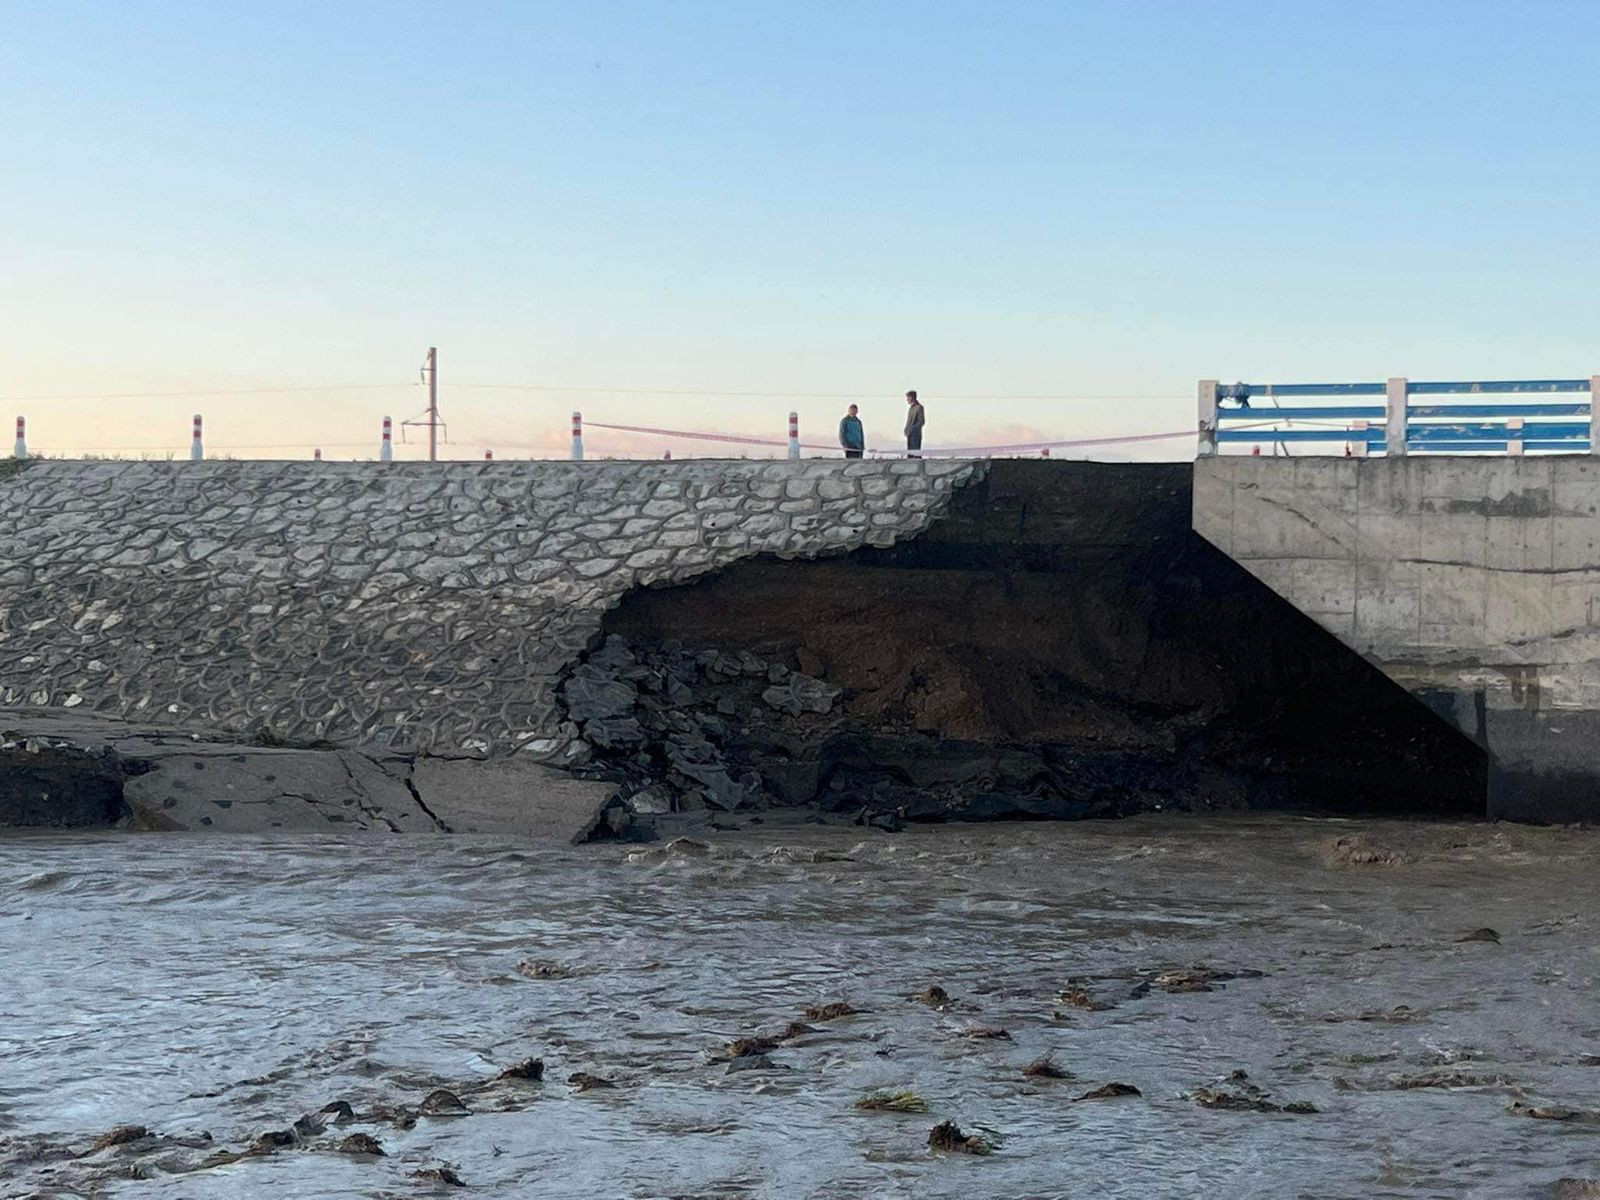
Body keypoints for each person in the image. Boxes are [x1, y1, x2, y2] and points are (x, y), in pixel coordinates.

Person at [903, 390, 925, 457]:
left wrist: (913, 429)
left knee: (916, 455)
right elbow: (909, 421)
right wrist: (906, 429)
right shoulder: (910, 409)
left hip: (916, 435)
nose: (907, 400)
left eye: (908, 398)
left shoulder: (919, 407)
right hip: (909, 435)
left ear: (911, 397)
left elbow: (922, 421)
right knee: (910, 455)